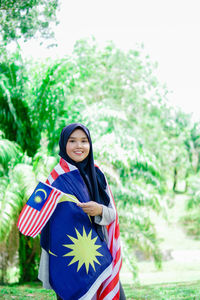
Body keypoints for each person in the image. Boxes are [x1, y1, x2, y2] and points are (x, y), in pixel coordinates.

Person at [38, 123, 126, 300]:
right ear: (64, 144)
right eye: (72, 141)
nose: (79, 146)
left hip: (97, 255)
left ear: (90, 145)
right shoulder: (55, 178)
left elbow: (112, 215)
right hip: (68, 259)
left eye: (84, 141)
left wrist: (98, 209)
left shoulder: (97, 174)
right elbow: (42, 219)